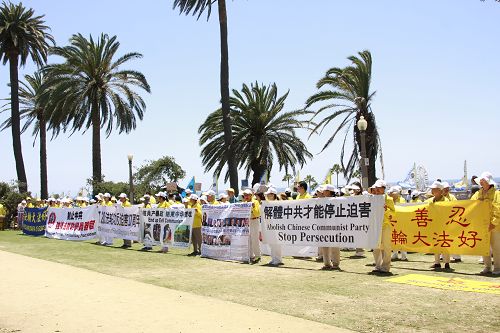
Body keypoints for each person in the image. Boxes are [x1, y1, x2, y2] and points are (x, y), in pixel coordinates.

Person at [471, 172, 500, 275]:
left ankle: (497, 268)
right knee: (484, 247)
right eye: (481, 180)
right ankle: (487, 267)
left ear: (489, 182)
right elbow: (470, 205)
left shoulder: (497, 194)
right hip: (482, 225)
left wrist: (494, 222)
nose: (481, 182)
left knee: (496, 248)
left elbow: (498, 209)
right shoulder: (478, 193)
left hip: (495, 226)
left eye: (483, 180)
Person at [425, 181, 452, 271]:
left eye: (435, 189)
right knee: (435, 244)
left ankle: (447, 263)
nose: (433, 191)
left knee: (445, 244)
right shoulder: (430, 201)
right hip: (434, 226)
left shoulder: (446, 201)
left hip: (444, 226)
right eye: (432, 189)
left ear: (440, 191)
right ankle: (437, 262)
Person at [370, 179, 395, 275]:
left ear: (383, 189)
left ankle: (385, 266)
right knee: (375, 245)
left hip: (385, 225)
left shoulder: (388, 199)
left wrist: (387, 210)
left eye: (379, 188)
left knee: (386, 246)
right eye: (376, 188)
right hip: (375, 224)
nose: (377, 190)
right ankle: (378, 265)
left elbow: (394, 212)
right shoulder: (372, 198)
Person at [320, 184, 341, 270]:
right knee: (325, 245)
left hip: (334, 226)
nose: (323, 192)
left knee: (334, 245)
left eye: (324, 190)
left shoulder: (336, 200)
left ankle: (335, 264)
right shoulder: (321, 200)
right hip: (323, 225)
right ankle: (327, 263)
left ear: (329, 191)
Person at [388, 186, 408, 261]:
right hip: (393, 221)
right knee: (394, 237)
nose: (390, 194)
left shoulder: (402, 200)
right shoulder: (390, 200)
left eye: (391, 192)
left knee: (402, 237)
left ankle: (404, 255)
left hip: (401, 222)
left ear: (396, 193)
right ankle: (395, 253)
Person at [264, 187, 283, 266]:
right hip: (269, 226)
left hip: (277, 227)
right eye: (267, 194)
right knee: (271, 243)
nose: (267, 196)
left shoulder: (278, 203)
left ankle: (278, 259)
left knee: (276, 243)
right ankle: (273, 258)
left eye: (269, 194)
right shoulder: (268, 203)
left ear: (273, 195)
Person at [242, 188, 261, 264]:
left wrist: (253, 207)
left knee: (255, 239)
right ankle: (250, 256)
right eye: (245, 195)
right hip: (248, 222)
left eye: (247, 195)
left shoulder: (255, 202)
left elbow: (257, 214)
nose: (246, 196)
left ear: (251, 195)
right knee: (248, 239)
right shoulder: (244, 203)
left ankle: (258, 256)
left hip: (254, 220)